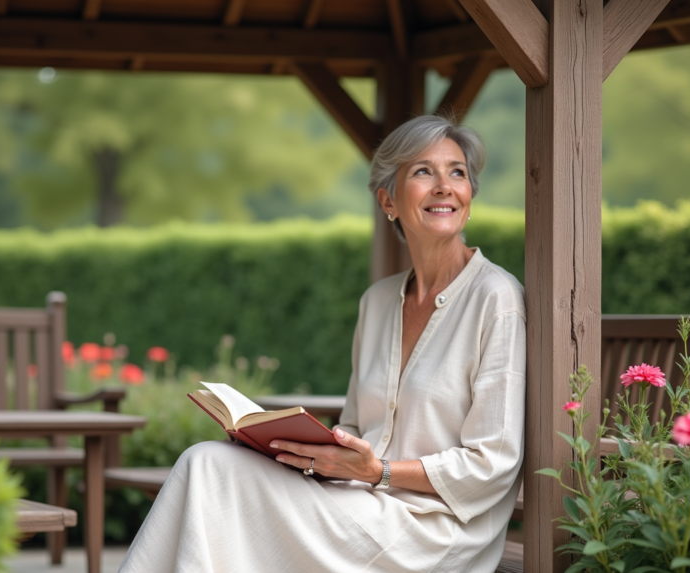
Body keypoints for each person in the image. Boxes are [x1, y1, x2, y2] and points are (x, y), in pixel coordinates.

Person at [119, 115, 526, 572]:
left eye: (457, 172)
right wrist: (303, 454)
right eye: (423, 171)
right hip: (357, 503)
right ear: (388, 199)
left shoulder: (497, 298)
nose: (444, 186)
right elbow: (355, 426)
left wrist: (381, 472)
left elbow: (494, 462)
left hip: (432, 532)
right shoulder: (377, 302)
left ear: (470, 197)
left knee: (213, 477)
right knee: (207, 461)